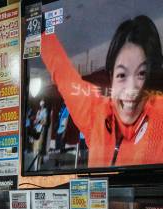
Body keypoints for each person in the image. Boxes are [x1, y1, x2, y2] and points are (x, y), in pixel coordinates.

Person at [40, 16, 163, 168]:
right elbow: (64, 75)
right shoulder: (97, 114)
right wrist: (41, 31)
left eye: (142, 74)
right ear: (112, 76)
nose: (131, 89)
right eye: (122, 75)